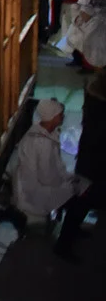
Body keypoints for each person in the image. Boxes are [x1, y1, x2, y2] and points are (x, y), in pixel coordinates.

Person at [10, 98, 88, 227]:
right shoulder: (41, 142)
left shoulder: (44, 135)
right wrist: (70, 184)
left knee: (82, 186)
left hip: (39, 185)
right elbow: (47, 177)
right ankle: (66, 238)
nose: (63, 116)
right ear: (52, 116)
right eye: (60, 114)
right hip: (34, 192)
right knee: (80, 197)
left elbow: (57, 168)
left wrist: (70, 178)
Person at [57, 70, 106, 259]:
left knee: (83, 200)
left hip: (90, 161)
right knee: (82, 200)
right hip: (94, 164)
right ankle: (64, 245)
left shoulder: (94, 101)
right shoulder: (100, 110)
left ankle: (70, 234)